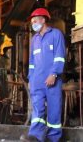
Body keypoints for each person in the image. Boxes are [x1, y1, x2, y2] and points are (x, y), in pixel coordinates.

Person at [21, 8, 65, 142]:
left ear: (44, 20)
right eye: (32, 21)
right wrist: (31, 78)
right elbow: (32, 61)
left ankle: (53, 138)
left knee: (54, 110)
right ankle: (35, 136)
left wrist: (54, 74)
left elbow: (59, 56)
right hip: (37, 81)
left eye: (35, 20)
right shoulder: (35, 39)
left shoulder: (56, 34)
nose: (33, 23)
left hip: (52, 80)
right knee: (37, 110)